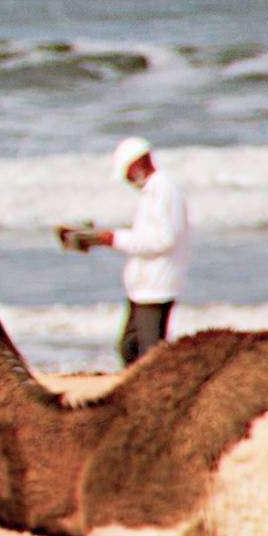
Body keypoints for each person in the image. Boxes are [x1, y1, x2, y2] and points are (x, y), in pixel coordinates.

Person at [81, 135, 189, 366]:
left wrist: (114, 239)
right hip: (145, 287)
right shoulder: (152, 191)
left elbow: (163, 241)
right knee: (129, 347)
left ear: (138, 164)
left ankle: (154, 397)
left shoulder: (163, 189)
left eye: (127, 173)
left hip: (156, 287)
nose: (128, 180)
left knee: (148, 356)